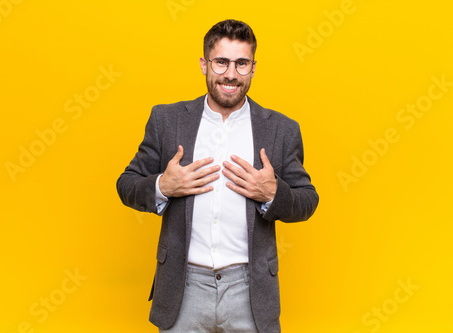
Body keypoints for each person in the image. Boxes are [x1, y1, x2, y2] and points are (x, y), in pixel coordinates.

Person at [116, 19, 319, 333]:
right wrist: (162, 186)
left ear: (253, 67)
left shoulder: (281, 129)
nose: (231, 74)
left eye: (241, 63)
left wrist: (273, 194)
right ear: (204, 64)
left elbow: (307, 200)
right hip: (183, 287)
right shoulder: (166, 120)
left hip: (250, 290)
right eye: (221, 62)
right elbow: (127, 184)